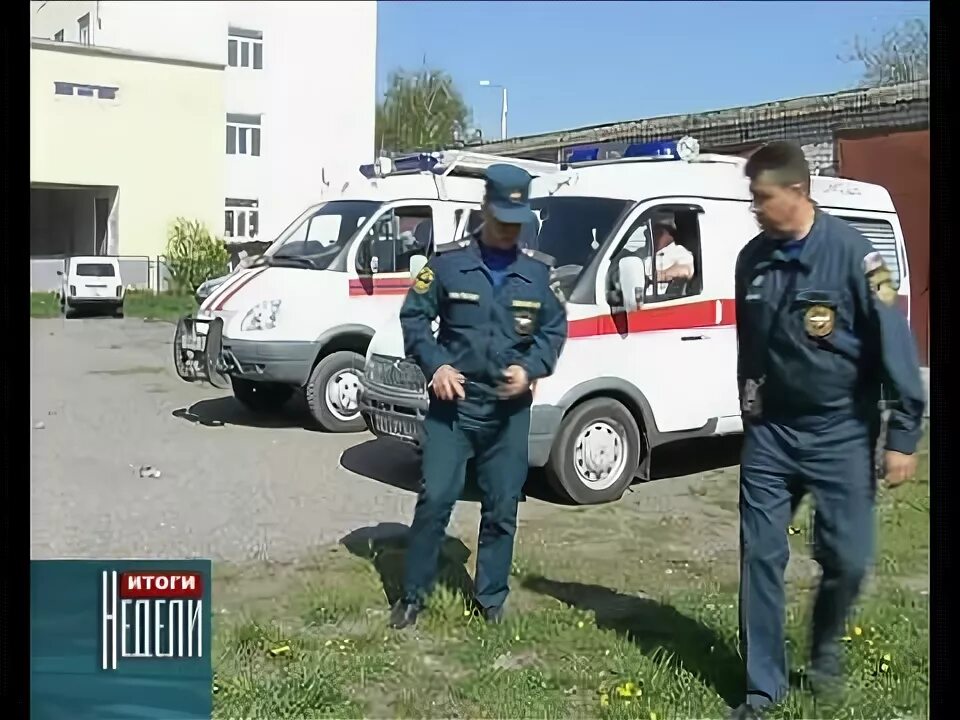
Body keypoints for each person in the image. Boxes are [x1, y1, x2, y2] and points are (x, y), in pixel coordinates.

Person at [730, 141, 925, 718]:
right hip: (773, 435)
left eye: (763, 198)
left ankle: (823, 648)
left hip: (841, 430)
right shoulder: (752, 260)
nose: (756, 208)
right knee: (760, 556)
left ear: (797, 192)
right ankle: (763, 689)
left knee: (850, 561)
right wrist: (751, 407)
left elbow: (895, 344)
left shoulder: (855, 257)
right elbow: (750, 346)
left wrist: (902, 436)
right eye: (753, 198)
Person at [390, 163, 568, 629]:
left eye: (518, 223)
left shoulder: (537, 275)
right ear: (485, 209)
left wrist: (531, 369)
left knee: (503, 506)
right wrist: (436, 365)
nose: (510, 231)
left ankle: (490, 598)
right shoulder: (447, 265)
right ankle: (414, 595)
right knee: (436, 498)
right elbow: (414, 318)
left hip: (508, 413)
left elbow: (553, 329)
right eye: (504, 220)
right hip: (455, 405)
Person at [645, 220, 695, 295]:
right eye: (650, 233)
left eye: (658, 233)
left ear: (670, 235)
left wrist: (655, 277)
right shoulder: (645, 253)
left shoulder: (678, 251)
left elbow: (686, 270)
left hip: (663, 300)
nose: (653, 237)